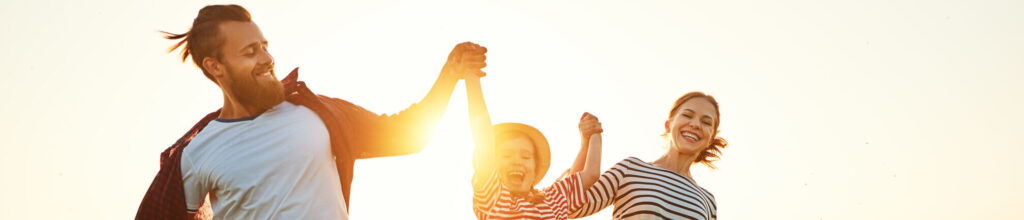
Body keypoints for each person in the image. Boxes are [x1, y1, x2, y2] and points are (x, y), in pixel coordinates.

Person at [135, 4, 487, 219]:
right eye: (250, 52)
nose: (267, 59)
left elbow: (406, 136)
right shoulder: (196, 153)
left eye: (265, 46)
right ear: (215, 67)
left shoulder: (316, 112)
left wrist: (449, 74)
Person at [464, 67, 603, 219]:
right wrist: (472, 76)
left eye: (525, 156)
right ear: (492, 166)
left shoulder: (553, 199)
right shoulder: (493, 199)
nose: (516, 161)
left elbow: (591, 174)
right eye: (506, 155)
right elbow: (484, 142)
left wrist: (593, 133)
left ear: (535, 171)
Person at [570, 92, 727, 220]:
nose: (695, 124)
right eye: (687, 115)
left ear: (710, 140)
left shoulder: (708, 201)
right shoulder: (630, 169)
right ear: (668, 125)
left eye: (706, 122)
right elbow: (571, 205)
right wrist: (587, 142)